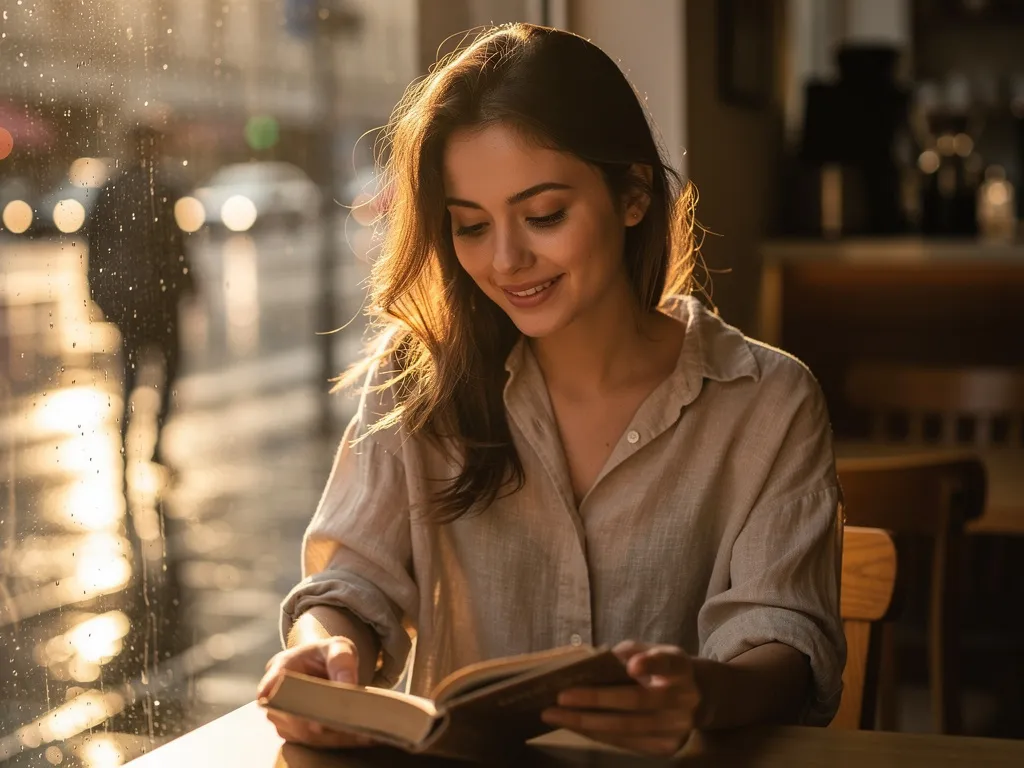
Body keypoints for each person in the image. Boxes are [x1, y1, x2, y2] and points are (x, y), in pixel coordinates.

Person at [259, 24, 845, 757]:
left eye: (543, 216)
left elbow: (784, 636)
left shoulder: (768, 401)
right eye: (470, 226)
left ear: (633, 195)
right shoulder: (417, 380)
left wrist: (704, 696)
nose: (506, 260)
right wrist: (325, 655)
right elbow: (349, 589)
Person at [86, 124, 195, 469]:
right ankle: (150, 444)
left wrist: (98, 292)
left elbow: (97, 247)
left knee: (135, 375)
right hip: (156, 298)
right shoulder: (161, 187)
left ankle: (129, 446)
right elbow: (175, 246)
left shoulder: (117, 188)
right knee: (164, 370)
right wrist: (189, 284)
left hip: (136, 298)